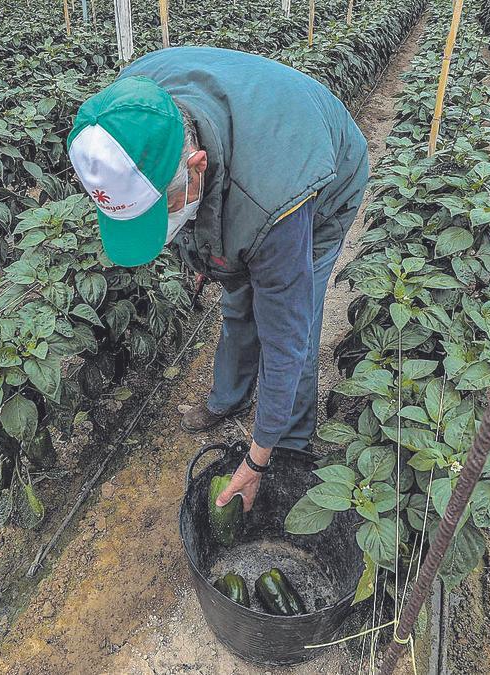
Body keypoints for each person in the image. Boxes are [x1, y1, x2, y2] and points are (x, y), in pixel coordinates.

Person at [66, 46, 368, 513]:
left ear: (197, 164)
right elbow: (200, 221)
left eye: (158, 212)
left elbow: (286, 340)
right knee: (236, 293)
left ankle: (286, 446)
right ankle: (228, 396)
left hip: (322, 172)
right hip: (251, 140)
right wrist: (206, 257)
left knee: (293, 327)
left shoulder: (274, 202)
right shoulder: (128, 113)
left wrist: (257, 457)